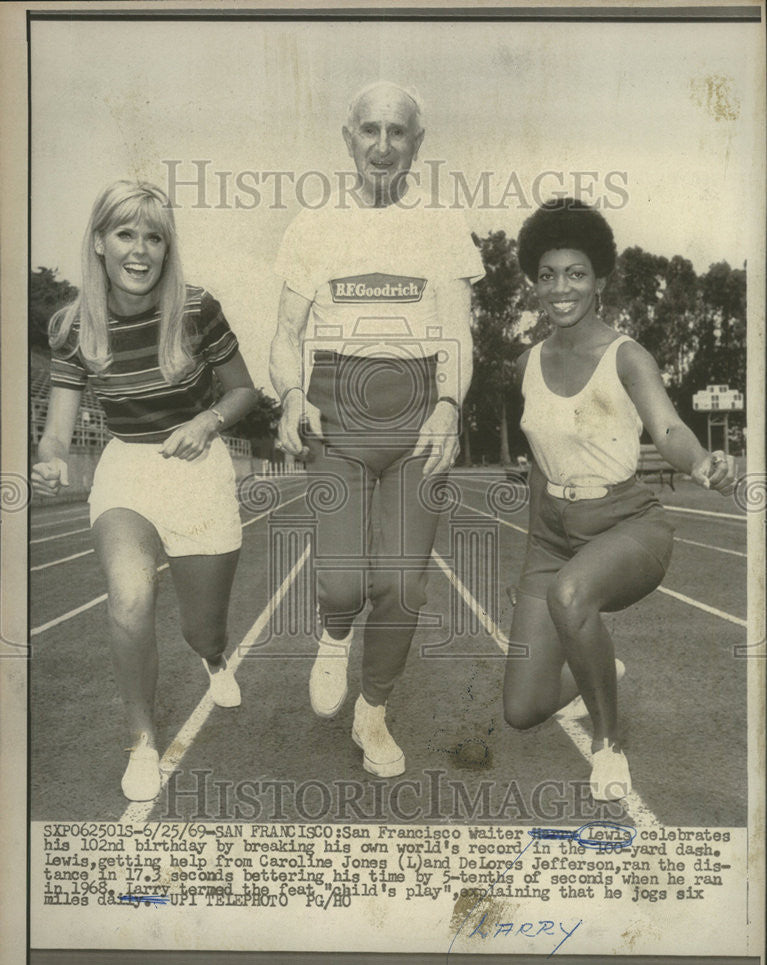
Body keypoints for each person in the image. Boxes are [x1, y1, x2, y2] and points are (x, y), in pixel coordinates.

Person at [269, 81, 484, 776]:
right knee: (340, 585)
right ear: (347, 137)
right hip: (337, 412)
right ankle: (333, 637)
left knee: (403, 586)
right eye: (370, 130)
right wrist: (292, 391)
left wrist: (450, 405)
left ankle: (373, 713)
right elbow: (283, 334)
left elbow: (456, 333)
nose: (382, 145)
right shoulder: (313, 226)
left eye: (398, 132)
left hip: (417, 416)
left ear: (417, 145)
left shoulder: (443, 224)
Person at [31, 180, 258, 801]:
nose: (140, 249)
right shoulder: (72, 325)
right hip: (127, 469)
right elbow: (56, 432)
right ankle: (142, 742)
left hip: (198, 468)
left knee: (202, 629)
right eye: (125, 234)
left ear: (166, 247)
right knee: (130, 594)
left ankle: (213, 656)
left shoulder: (196, 308)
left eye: (153, 236)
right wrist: (49, 459)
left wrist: (207, 421)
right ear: (100, 242)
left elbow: (244, 392)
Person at [504, 198, 736, 801]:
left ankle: (608, 746)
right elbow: (535, 468)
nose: (561, 288)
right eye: (548, 274)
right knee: (521, 709)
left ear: (600, 278)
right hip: (552, 535)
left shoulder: (626, 355)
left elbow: (669, 430)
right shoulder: (525, 365)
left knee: (572, 594)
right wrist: (538, 550)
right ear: (535, 281)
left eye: (576, 273)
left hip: (628, 526)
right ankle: (597, 669)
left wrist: (706, 466)